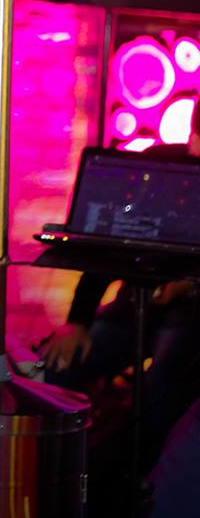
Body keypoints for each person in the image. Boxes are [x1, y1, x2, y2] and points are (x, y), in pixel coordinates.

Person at [41, 96, 200, 472]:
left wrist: (188, 286)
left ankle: (141, 478)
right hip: (134, 304)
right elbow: (110, 245)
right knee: (58, 368)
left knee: (160, 387)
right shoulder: (160, 165)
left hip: (192, 316)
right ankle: (55, 472)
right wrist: (77, 321)